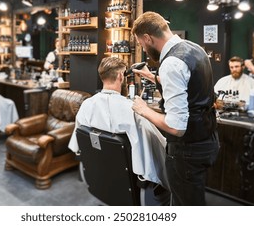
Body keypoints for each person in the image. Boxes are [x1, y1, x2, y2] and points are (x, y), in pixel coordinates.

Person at [131, 11, 219, 206]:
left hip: (188, 150)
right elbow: (187, 84)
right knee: (193, 197)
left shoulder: (170, 63)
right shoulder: (194, 48)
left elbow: (176, 127)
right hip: (207, 138)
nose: (143, 49)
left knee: (186, 205)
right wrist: (150, 77)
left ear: (148, 38)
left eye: (141, 44)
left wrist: (144, 109)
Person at [68, 57, 170, 205]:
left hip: (101, 179)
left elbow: (78, 145)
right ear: (121, 76)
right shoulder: (133, 111)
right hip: (131, 183)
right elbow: (158, 149)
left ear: (101, 76)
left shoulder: (86, 105)